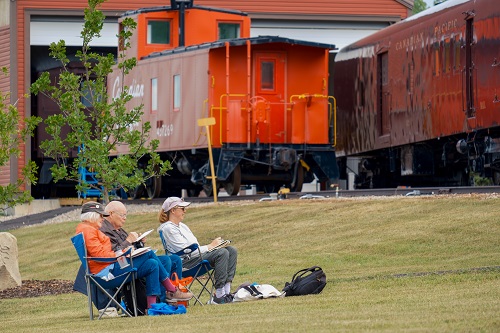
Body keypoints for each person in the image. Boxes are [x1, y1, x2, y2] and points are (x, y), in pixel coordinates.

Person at [75, 201, 192, 312]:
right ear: (92, 216)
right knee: (148, 253)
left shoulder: (89, 229)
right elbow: (101, 255)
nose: (102, 219)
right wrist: (122, 253)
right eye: (100, 216)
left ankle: (152, 306)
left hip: (111, 266)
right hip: (107, 272)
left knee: (152, 264)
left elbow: (103, 253)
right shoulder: (89, 231)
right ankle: (171, 290)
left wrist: (130, 248)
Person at [157, 197, 238, 304]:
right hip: (185, 263)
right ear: (173, 210)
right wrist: (210, 246)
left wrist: (214, 246)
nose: (185, 211)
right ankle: (219, 295)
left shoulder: (183, 226)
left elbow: (194, 246)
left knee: (231, 250)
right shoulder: (167, 228)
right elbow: (185, 250)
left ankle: (226, 292)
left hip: (196, 257)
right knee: (222, 253)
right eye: (182, 208)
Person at [101, 200, 184, 303]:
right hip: (119, 266)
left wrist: (138, 243)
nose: (125, 218)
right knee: (152, 256)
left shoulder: (119, 229)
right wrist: (128, 241)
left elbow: (129, 248)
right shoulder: (104, 230)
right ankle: (169, 292)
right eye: (122, 215)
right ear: (111, 214)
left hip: (128, 261)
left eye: (126, 215)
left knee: (167, 260)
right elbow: (114, 251)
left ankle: (158, 303)